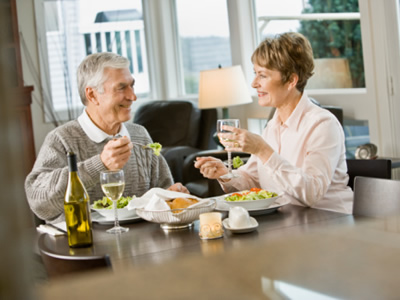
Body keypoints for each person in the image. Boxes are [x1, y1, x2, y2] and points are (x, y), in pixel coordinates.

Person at [195, 32, 353, 214]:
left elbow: (312, 194)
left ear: (291, 80)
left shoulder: (322, 124)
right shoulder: (273, 126)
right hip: (289, 222)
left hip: (329, 222)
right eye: (255, 74)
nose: (254, 83)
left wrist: (263, 150)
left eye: (262, 75)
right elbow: (252, 178)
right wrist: (225, 174)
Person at [25, 52, 188, 224]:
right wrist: (99, 165)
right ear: (92, 95)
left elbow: (162, 192)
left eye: (132, 86)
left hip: (140, 241)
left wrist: (172, 195)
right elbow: (39, 203)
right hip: (83, 244)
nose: (133, 96)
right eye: (121, 87)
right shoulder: (62, 139)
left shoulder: (139, 134)